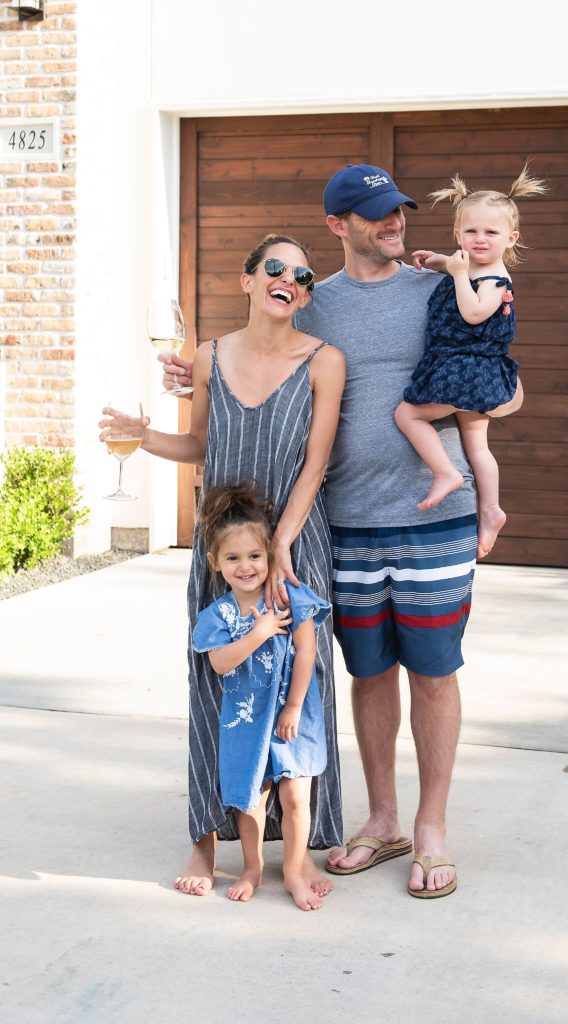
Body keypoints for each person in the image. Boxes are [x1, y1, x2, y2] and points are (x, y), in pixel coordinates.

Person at [164, 165, 478, 899]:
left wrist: (495, 396)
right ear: (339, 225)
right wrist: (193, 380)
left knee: (433, 671)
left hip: (431, 516)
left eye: (399, 210)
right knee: (368, 674)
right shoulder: (316, 306)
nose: (396, 223)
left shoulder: (439, 290)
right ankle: (383, 822)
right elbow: (254, 368)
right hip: (349, 524)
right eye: (378, 215)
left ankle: (430, 830)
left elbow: (501, 369)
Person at [102, 234, 346, 899]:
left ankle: (297, 848)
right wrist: (138, 434)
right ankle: (204, 841)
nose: (290, 279)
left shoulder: (326, 362)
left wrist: (284, 548)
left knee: (302, 684)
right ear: (247, 281)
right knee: (215, 686)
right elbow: (201, 443)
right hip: (224, 551)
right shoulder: (208, 355)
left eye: (303, 274)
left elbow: (316, 465)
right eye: (276, 268)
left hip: (294, 551)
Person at [395, 165, 547, 557]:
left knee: (408, 416)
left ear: (511, 238)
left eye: (491, 232)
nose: (480, 239)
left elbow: (474, 313)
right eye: (471, 231)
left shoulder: (496, 280)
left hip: (467, 370)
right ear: (458, 234)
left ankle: (445, 472)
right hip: (465, 369)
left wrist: (457, 274)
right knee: (477, 445)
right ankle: (491, 510)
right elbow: (458, 265)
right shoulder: (469, 264)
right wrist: (437, 262)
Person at [193, 482, 332, 911]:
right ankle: (252, 866)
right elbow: (219, 664)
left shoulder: (289, 597)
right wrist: (257, 633)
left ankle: (293, 869)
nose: (246, 566)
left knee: (294, 796)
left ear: (270, 556)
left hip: (292, 716)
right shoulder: (220, 615)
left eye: (254, 556)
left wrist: (292, 705)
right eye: (233, 558)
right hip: (245, 719)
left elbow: (307, 650)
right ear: (216, 563)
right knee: (251, 800)